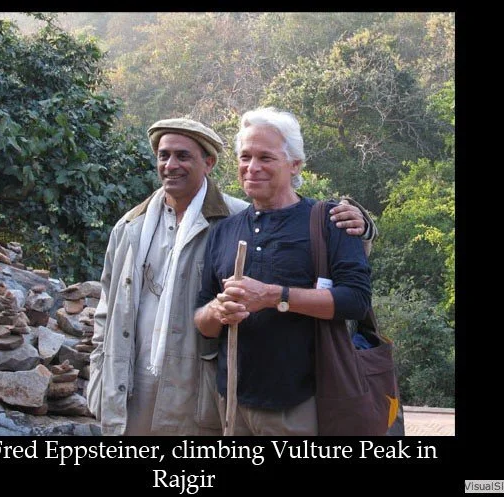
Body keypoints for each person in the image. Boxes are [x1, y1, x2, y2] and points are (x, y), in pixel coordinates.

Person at [87, 117, 372, 435]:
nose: (171, 165)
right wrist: (100, 372)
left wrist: (364, 226)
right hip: (177, 392)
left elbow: (354, 292)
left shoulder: (232, 217)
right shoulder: (135, 227)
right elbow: (110, 309)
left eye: (183, 156)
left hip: (257, 397)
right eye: (164, 155)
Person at [193, 107, 372, 436]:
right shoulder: (223, 230)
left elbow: (355, 300)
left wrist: (275, 296)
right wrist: (217, 311)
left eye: (265, 157)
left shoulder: (330, 220)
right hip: (231, 401)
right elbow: (202, 323)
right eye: (245, 156)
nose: (252, 167)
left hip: (301, 402)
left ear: (295, 165)